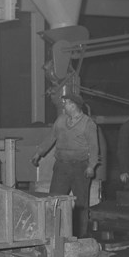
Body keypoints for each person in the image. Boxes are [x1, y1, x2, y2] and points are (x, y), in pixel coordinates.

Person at [31, 94, 99, 237]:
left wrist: (91, 166)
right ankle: (53, 233)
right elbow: (51, 137)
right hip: (61, 166)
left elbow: (94, 147)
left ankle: (80, 236)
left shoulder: (88, 124)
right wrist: (39, 153)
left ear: (74, 105)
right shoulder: (61, 120)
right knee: (54, 199)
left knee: (80, 204)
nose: (64, 105)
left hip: (80, 167)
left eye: (66, 103)